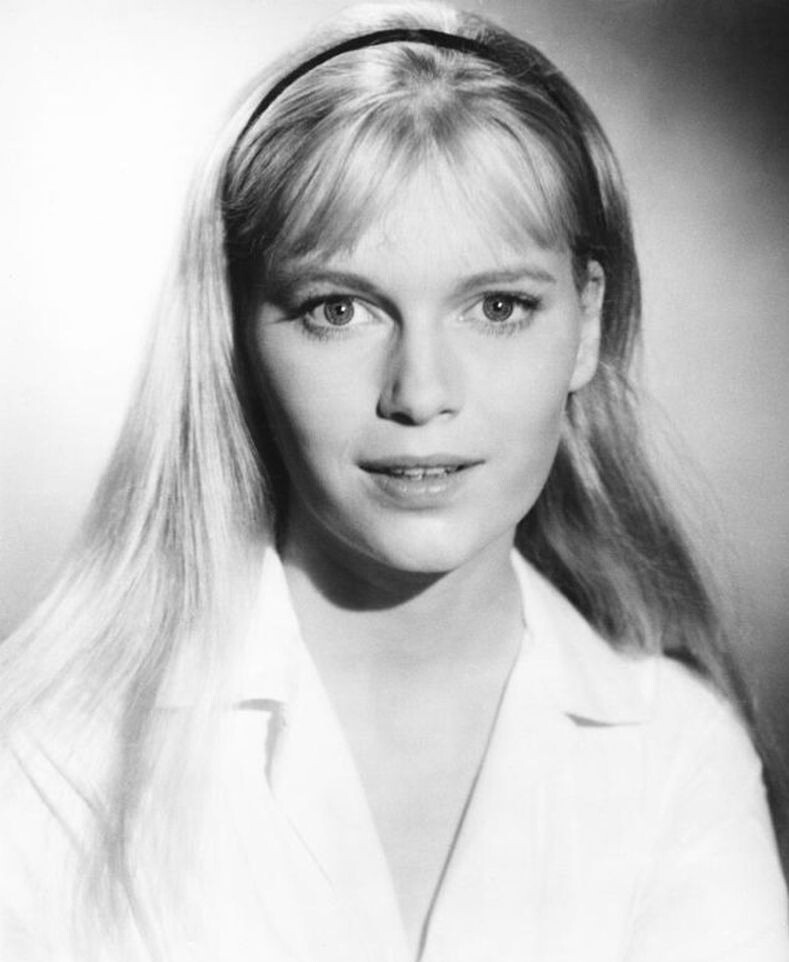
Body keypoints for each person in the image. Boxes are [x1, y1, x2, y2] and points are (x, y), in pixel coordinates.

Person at [1, 3, 786, 960]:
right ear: (234, 331)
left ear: (585, 323)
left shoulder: (675, 756)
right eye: (338, 309)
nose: (419, 393)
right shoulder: (53, 757)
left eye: (497, 306)